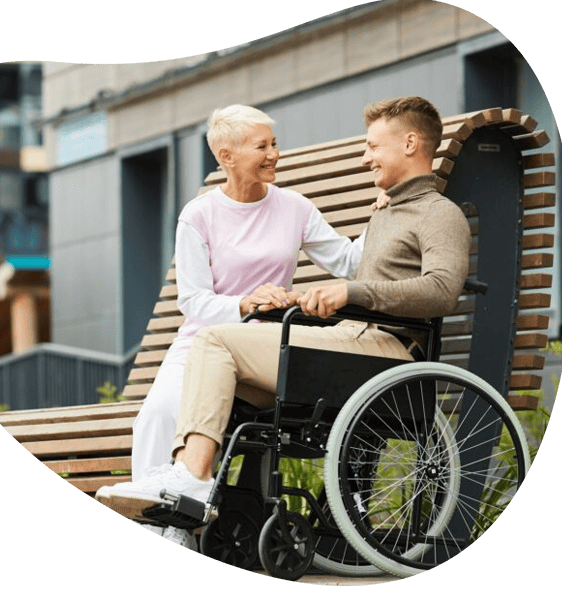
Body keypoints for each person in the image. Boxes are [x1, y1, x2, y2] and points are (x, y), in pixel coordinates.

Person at [95, 96, 472, 530]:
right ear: (227, 157)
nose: (365, 157)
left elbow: (441, 290)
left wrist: (345, 290)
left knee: (216, 341)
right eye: (263, 145)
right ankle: (176, 509)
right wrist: (306, 295)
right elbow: (366, 267)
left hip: (377, 349)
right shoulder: (387, 211)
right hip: (339, 336)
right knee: (170, 398)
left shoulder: (439, 214)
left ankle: (191, 481)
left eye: (372, 146)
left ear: (409, 143)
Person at [96, 104, 366, 549]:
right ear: (226, 156)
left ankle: (176, 524)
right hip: (205, 340)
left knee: (192, 413)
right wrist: (244, 301)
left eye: (274, 143)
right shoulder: (199, 216)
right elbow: (193, 299)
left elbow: (348, 260)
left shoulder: (294, 208)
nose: (274, 154)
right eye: (262, 146)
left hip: (264, 344)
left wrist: (387, 209)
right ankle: (156, 529)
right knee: (157, 414)